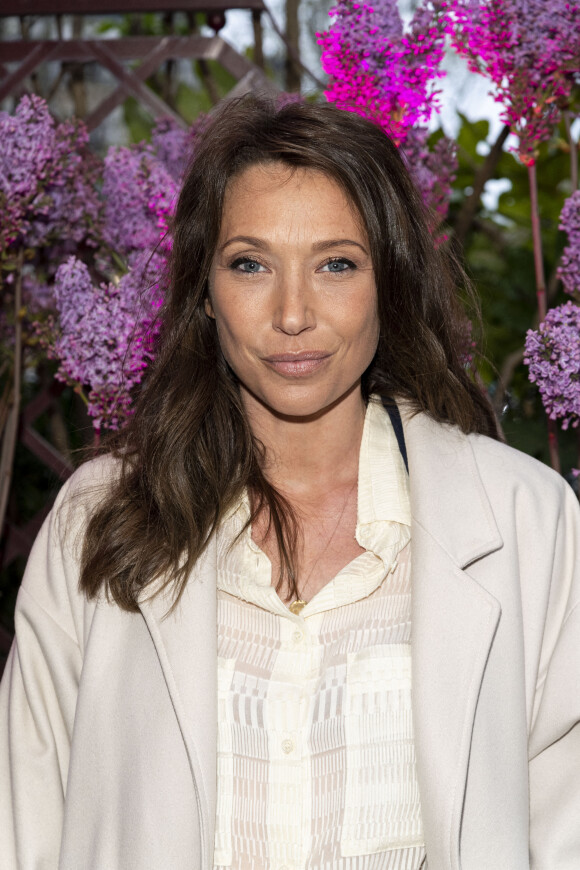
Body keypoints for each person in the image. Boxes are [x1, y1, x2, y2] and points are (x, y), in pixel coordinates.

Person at [1, 94, 579, 870]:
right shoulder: (97, 520)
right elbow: (27, 829)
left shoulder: (527, 520)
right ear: (204, 290)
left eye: (336, 264)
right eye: (251, 264)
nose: (293, 313)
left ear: (391, 282)